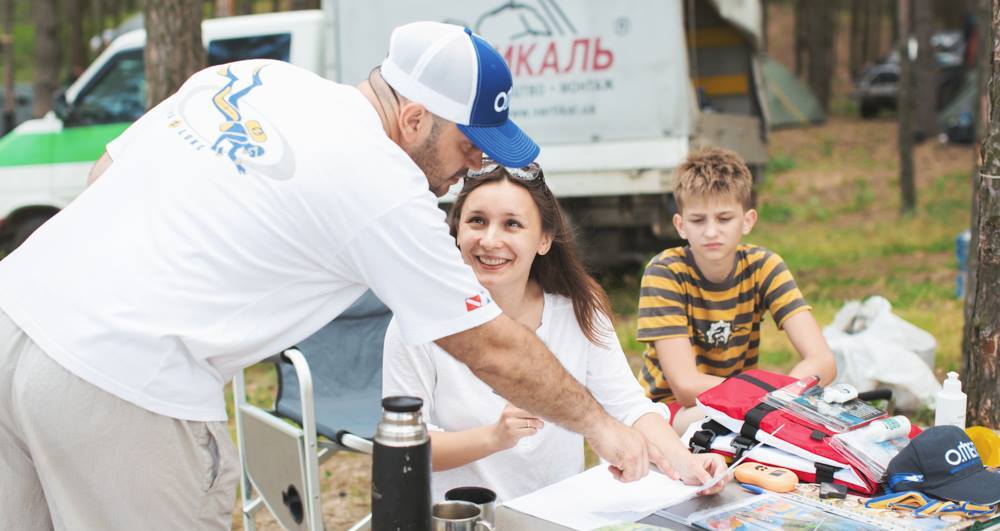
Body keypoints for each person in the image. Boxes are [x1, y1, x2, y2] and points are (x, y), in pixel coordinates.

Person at [0, 22, 660, 530]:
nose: (474, 166)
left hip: (17, 312)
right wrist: (603, 429)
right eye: (469, 146)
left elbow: (106, 174)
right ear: (414, 119)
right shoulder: (383, 182)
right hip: (125, 379)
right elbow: (489, 345)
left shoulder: (259, 77)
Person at [382, 159, 728, 502]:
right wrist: (494, 437)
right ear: (457, 230)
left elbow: (628, 407)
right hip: (461, 521)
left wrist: (687, 464)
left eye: (512, 224)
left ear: (544, 239)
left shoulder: (578, 309)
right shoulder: (419, 320)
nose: (489, 239)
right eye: (477, 221)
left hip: (559, 516)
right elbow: (406, 449)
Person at [637, 147, 837, 434]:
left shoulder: (764, 266)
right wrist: (767, 398)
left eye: (724, 218)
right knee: (717, 419)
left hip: (738, 402)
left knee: (813, 411)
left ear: (748, 221)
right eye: (698, 220)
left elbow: (823, 361)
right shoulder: (665, 272)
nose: (711, 231)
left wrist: (784, 398)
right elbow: (685, 386)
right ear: (680, 226)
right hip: (669, 412)